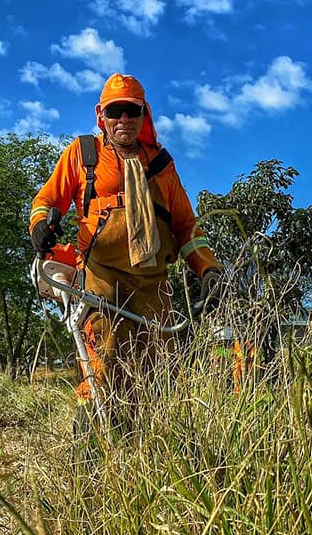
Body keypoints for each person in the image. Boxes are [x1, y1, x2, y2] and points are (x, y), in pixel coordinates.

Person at [30, 72, 224, 403]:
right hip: (102, 279)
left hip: (153, 285)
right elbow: (46, 200)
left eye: (132, 111)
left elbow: (187, 227)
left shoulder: (162, 164)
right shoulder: (83, 153)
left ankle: (151, 446)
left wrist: (208, 269)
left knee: (159, 372)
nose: (123, 119)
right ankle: (92, 444)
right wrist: (39, 224)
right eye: (114, 111)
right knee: (102, 361)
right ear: (100, 115)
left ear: (144, 114)